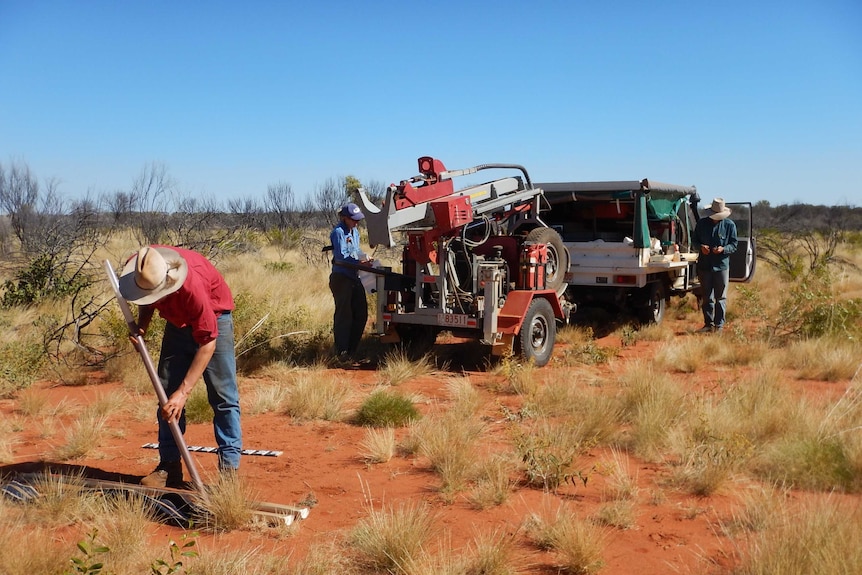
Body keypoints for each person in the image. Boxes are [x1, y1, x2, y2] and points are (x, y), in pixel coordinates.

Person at [119, 245, 242, 487]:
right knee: (166, 396)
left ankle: (229, 472)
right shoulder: (143, 266)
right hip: (177, 324)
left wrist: (183, 393)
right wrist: (143, 323)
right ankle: (169, 466)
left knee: (223, 397)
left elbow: (207, 343)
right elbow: (147, 296)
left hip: (215, 320)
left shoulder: (191, 288)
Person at [329, 202, 373, 365]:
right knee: (344, 315)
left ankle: (352, 350)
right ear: (345, 218)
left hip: (354, 277)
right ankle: (341, 352)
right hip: (342, 278)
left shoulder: (354, 232)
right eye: (353, 219)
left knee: (361, 313)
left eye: (358, 220)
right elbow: (341, 257)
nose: (356, 222)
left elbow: (356, 251)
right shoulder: (338, 232)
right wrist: (360, 263)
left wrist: (364, 257)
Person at [693, 198, 738, 333]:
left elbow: (734, 244)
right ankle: (708, 324)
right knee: (707, 297)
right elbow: (694, 240)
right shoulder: (701, 224)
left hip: (721, 266)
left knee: (721, 297)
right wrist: (701, 248)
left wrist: (723, 249)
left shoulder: (730, 225)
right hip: (704, 266)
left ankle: (719, 326)